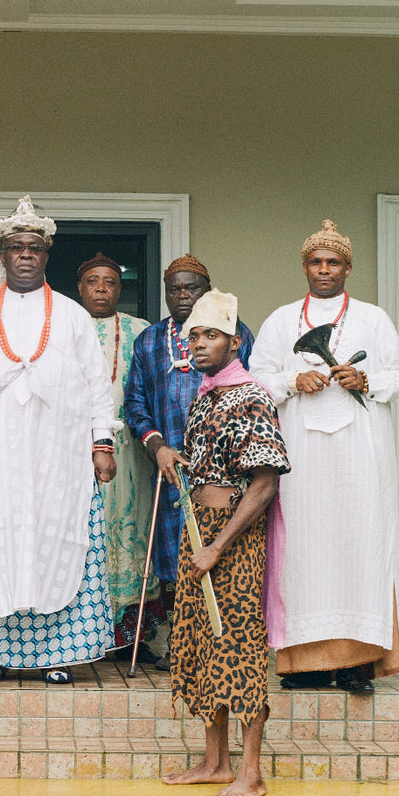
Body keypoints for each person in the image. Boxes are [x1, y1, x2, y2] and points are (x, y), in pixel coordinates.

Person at [0, 195, 118, 686]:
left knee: (55, 536)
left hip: (57, 458)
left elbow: (95, 387)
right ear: (2, 254)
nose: (26, 255)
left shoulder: (71, 316)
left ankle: (57, 656)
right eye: (17, 247)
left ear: (46, 256)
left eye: (35, 248)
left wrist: (100, 444)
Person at [250, 220, 399, 694]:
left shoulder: (373, 318)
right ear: (305, 267)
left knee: (359, 546)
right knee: (304, 550)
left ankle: (357, 665)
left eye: (334, 262)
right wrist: (291, 381)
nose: (324, 270)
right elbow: (256, 378)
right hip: (302, 458)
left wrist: (368, 382)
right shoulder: (282, 320)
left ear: (347, 268)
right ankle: (306, 665)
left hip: (362, 457)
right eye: (316, 262)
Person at [163, 289, 290, 796]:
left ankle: (251, 772)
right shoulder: (206, 394)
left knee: (236, 645)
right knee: (200, 642)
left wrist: (218, 547)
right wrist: (177, 459)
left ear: (235, 342)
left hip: (232, 539)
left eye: (211, 335)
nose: (199, 344)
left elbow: (264, 484)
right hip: (198, 529)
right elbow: (211, 461)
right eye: (193, 335)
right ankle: (215, 762)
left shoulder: (251, 395)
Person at [124, 255, 255, 658]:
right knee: (174, 557)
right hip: (170, 470)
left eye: (191, 288)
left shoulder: (238, 333)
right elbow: (135, 403)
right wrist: (157, 446)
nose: (182, 295)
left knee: (223, 551)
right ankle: (180, 644)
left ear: (208, 289)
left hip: (223, 474)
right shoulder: (149, 340)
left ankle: (222, 645)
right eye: (174, 289)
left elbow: (247, 389)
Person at [76, 252, 162, 660]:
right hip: (76, 450)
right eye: (93, 281)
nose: (100, 288)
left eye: (109, 282)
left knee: (133, 533)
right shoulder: (65, 326)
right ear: (80, 288)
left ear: (119, 289)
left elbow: (149, 388)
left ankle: (131, 638)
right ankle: (81, 635)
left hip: (131, 451)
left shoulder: (140, 330)